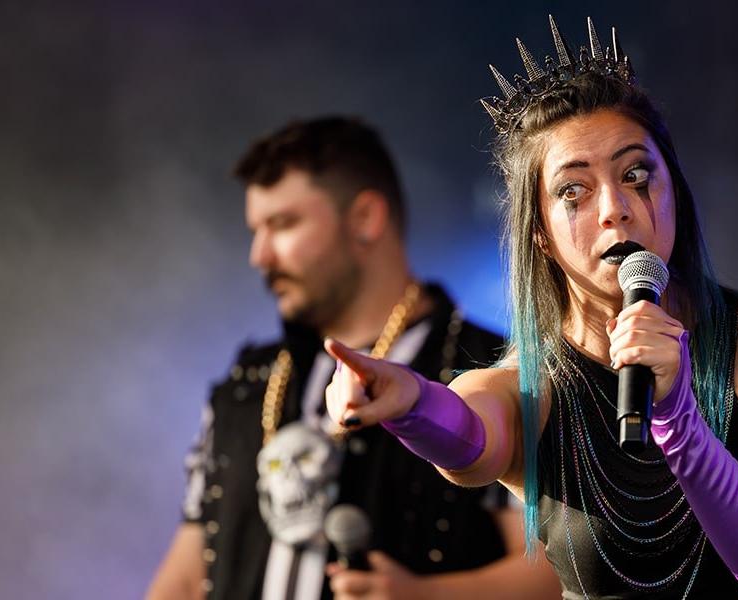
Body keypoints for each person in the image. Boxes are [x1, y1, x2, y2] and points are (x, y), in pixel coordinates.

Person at [324, 17, 738, 600]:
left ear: (673, 190)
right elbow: (469, 436)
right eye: (573, 192)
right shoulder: (528, 388)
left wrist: (680, 423)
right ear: (541, 234)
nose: (614, 208)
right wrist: (409, 403)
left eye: (636, 175)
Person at [148, 117, 561, 600]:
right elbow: (184, 576)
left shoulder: (492, 369)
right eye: (256, 230)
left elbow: (558, 572)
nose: (260, 255)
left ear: (365, 218)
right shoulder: (248, 380)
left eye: (283, 224)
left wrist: (428, 598)